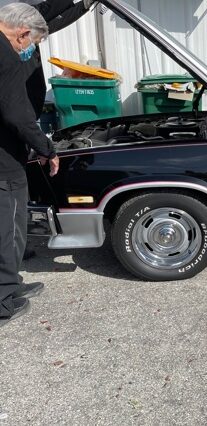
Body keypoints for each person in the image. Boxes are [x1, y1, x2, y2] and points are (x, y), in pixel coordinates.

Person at [0, 2, 59, 326]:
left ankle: (12, 282)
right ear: (22, 34)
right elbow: (16, 114)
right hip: (3, 162)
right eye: (32, 45)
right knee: (7, 229)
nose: (29, 52)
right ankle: (3, 302)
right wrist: (46, 148)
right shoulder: (6, 56)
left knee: (11, 226)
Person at [20, 0, 93, 261]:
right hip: (18, 121)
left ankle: (17, 243)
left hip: (26, 117)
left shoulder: (26, 38)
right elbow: (45, 12)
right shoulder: (13, 41)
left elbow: (53, 22)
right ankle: (12, 249)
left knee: (20, 184)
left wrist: (83, 6)